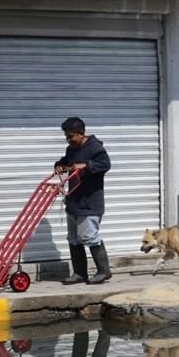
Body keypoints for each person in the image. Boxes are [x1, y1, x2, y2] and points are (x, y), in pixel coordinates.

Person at [54, 117, 112, 284]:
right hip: (73, 201)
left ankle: (104, 271)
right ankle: (79, 273)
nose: (68, 139)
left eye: (71, 136)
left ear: (81, 133)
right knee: (73, 238)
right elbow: (66, 162)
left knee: (89, 236)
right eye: (66, 136)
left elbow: (105, 164)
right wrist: (59, 164)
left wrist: (86, 165)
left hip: (89, 202)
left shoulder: (95, 148)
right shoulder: (71, 149)